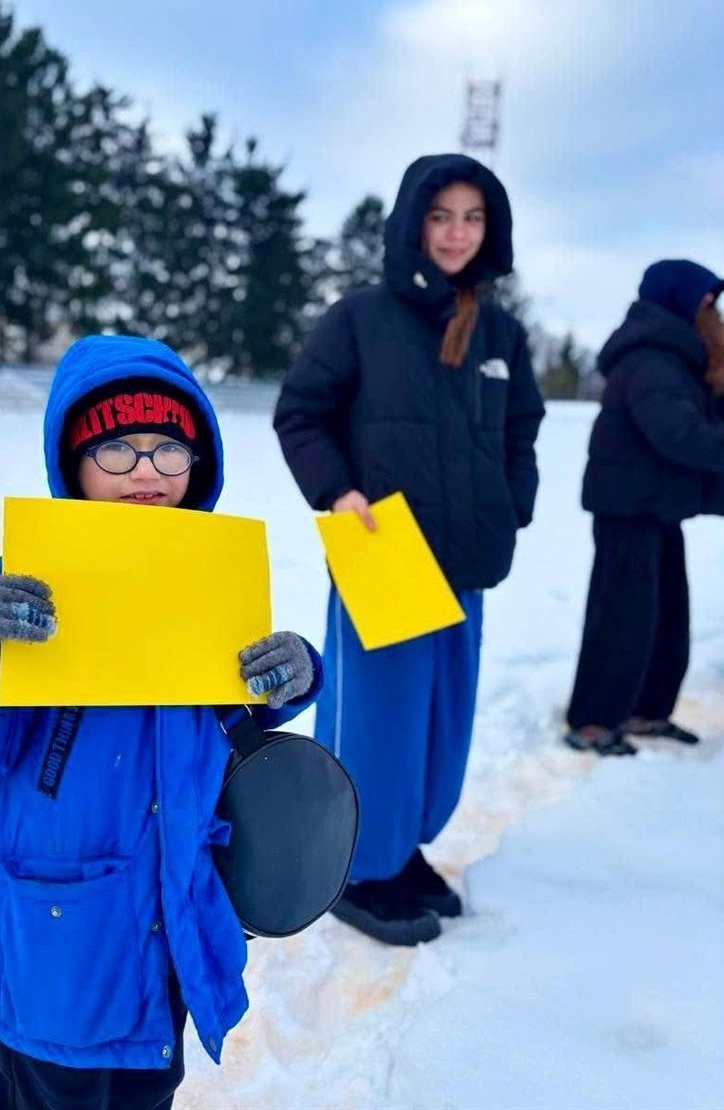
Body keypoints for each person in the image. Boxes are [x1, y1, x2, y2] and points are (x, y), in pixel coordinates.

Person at [0, 334, 324, 1110]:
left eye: (169, 450)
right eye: (119, 449)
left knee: (144, 1091)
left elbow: (232, 719)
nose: (146, 473)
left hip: (171, 933)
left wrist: (293, 672)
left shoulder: (211, 581)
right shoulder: (29, 587)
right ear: (74, 461)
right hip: (61, 940)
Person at [273, 154, 545, 946]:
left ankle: (403, 849)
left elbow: (521, 430)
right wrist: (338, 491)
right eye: (440, 216)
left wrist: (511, 502)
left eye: (472, 218)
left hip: (465, 562)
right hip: (382, 555)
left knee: (440, 725)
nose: (456, 233)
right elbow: (302, 413)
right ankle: (357, 865)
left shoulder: (501, 332)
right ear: (411, 223)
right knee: (377, 723)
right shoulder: (360, 316)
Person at [564, 260, 724, 757]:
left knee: (665, 616)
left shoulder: (677, 359)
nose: (713, 314)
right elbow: (680, 435)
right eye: (705, 303)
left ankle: (646, 710)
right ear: (675, 300)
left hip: (658, 506)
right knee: (622, 618)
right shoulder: (650, 359)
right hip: (627, 507)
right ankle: (592, 720)